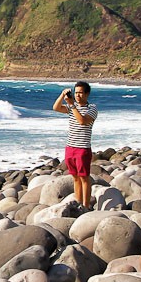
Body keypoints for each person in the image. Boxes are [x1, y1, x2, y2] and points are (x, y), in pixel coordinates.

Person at [52, 81, 98, 209]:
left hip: (83, 148)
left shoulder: (92, 108)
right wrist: (62, 95)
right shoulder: (73, 107)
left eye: (80, 93)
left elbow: (82, 121)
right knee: (75, 178)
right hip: (70, 146)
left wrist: (72, 105)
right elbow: (56, 107)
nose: (78, 95)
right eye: (76, 93)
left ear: (87, 94)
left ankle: (86, 205)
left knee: (84, 178)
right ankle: (79, 203)